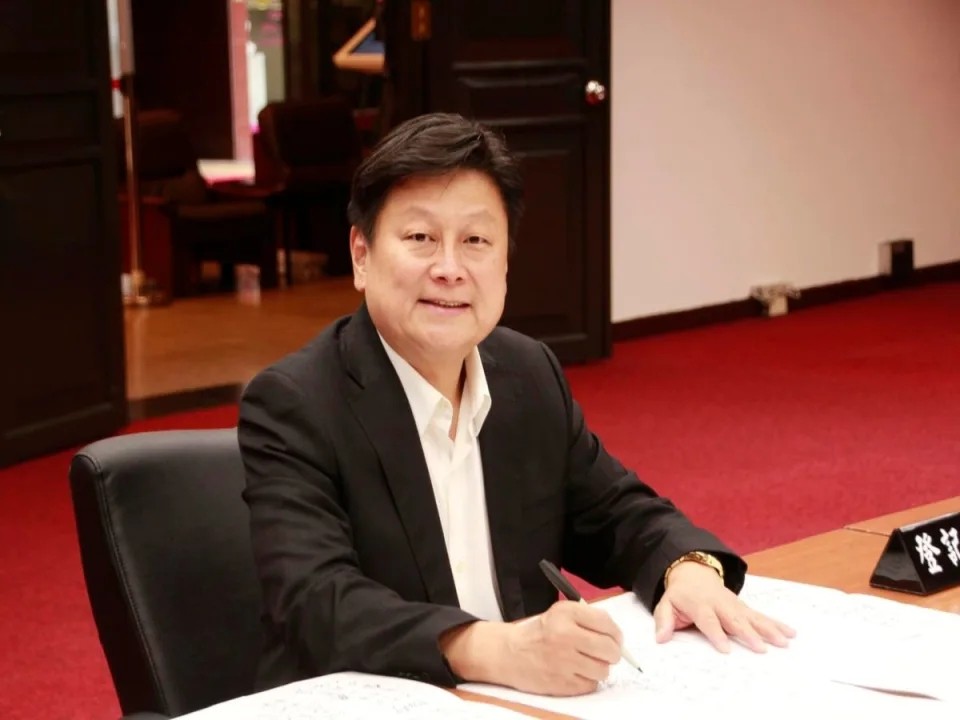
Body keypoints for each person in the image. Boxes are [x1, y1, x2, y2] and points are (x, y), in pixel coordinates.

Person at [238, 112, 795, 697]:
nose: (449, 269)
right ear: (361, 255)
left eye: (476, 241)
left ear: (505, 263)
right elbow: (316, 601)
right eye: (420, 238)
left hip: (522, 701)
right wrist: (495, 648)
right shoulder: (296, 403)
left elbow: (614, 513)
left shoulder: (526, 373)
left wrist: (687, 568)